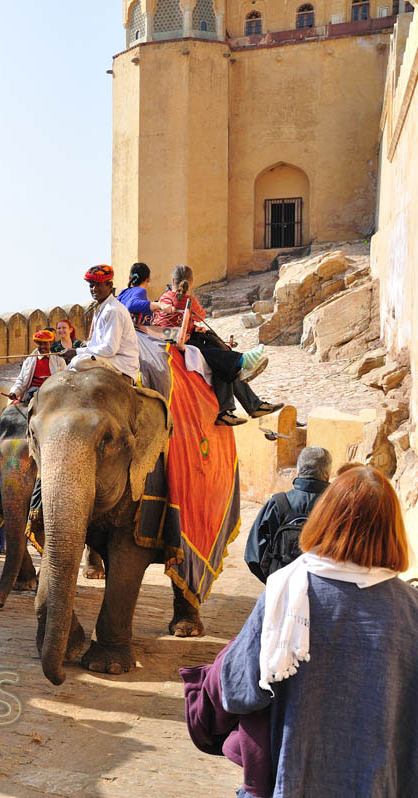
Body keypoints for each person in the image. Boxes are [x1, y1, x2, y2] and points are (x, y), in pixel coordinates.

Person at [186, 463, 418, 797]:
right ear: (392, 530)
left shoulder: (288, 590)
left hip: (293, 780)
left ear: (326, 518)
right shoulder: (411, 608)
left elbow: (238, 689)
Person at [153, 265, 282, 426]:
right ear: (191, 283)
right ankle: (243, 369)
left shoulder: (164, 298)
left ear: (172, 280)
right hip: (183, 340)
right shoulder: (189, 300)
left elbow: (165, 323)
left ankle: (248, 404)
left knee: (223, 361)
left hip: (170, 336)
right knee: (221, 358)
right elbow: (201, 315)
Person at [244, 447, 332, 583]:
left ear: (298, 472)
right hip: (325, 585)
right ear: (328, 475)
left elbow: (253, 555)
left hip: (282, 582)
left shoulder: (278, 503)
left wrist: (274, 581)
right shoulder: (339, 506)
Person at [59, 265, 141, 382]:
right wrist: (86, 345)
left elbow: (110, 349)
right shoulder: (101, 308)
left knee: (78, 361)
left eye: (98, 285)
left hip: (121, 363)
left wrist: (76, 352)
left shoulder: (113, 310)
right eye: (91, 285)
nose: (94, 289)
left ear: (110, 285)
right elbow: (100, 343)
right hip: (109, 359)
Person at [7, 329, 64, 403]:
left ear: (50, 344)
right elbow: (21, 380)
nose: (42, 346)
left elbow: (65, 379)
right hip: (32, 392)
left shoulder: (59, 361)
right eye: (40, 344)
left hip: (53, 392)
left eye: (45, 343)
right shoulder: (29, 361)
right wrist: (14, 392)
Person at [117, 262, 167, 326]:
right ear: (148, 279)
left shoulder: (123, 292)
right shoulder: (141, 291)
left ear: (130, 278)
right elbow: (131, 305)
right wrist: (158, 304)